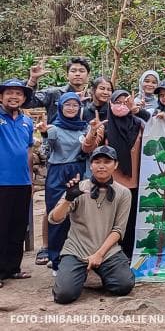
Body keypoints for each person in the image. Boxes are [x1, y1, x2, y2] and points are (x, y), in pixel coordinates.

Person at [50, 146, 134, 304]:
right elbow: (54, 219)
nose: (101, 165)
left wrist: (99, 254)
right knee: (64, 295)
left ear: (115, 165)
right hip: (77, 248)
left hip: (108, 251)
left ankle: (97, 271)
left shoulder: (123, 193)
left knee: (124, 285)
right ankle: (77, 273)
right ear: (91, 165)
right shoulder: (79, 188)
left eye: (107, 161)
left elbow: (118, 230)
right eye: (97, 161)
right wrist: (68, 199)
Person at [38, 92, 96, 272]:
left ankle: (80, 257)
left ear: (80, 108)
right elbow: (46, 150)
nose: (71, 108)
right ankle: (56, 260)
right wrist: (45, 134)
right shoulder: (54, 128)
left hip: (80, 171)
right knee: (58, 215)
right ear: (61, 107)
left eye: (75, 105)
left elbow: (89, 148)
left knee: (80, 216)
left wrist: (94, 132)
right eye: (67, 105)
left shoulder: (84, 128)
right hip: (58, 173)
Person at [92, 90, 146, 259]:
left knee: (130, 222)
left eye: (125, 102)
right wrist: (92, 132)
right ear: (110, 104)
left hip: (134, 182)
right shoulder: (105, 127)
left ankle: (129, 255)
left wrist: (138, 111)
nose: (122, 105)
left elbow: (157, 129)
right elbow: (88, 148)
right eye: (118, 101)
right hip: (110, 183)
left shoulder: (139, 125)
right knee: (109, 221)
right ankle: (108, 256)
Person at [0, 79, 35, 288]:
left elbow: (29, 150)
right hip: (1, 182)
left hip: (22, 182)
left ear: (24, 99)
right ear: (1, 97)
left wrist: (30, 179)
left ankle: (12, 268)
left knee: (18, 226)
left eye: (19, 94)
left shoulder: (26, 121)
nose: (14, 97)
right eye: (9, 93)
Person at [26, 57, 92, 123]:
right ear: (67, 75)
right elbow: (28, 103)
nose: (77, 74)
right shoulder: (54, 93)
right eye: (73, 71)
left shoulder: (91, 98)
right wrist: (33, 80)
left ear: (88, 75)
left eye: (82, 71)